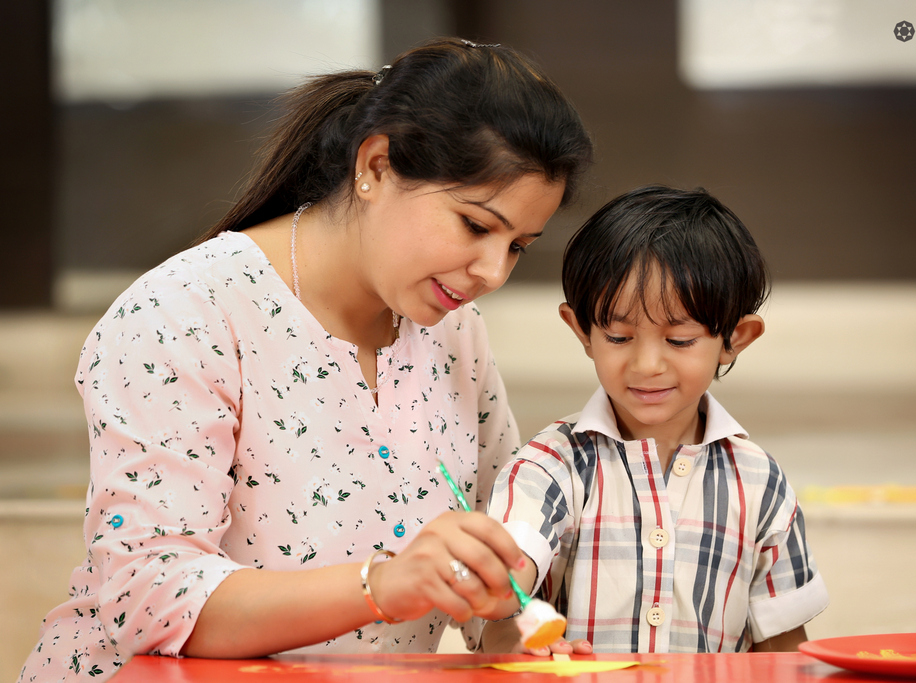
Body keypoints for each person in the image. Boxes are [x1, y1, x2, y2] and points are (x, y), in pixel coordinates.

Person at [19, 37, 592, 682]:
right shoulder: (185, 313)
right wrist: (386, 585)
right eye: (475, 226)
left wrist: (514, 625)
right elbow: (150, 599)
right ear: (375, 165)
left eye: (519, 246)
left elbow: (488, 564)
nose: (492, 271)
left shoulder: (455, 333)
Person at [481, 185, 828, 654]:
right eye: (619, 337)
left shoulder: (760, 484)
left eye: (680, 340)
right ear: (581, 331)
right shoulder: (550, 467)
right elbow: (504, 603)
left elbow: (785, 649)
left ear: (735, 338)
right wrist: (508, 623)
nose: (647, 365)